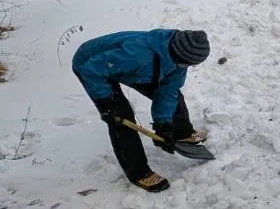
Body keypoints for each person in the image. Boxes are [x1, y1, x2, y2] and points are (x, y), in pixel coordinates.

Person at [72, 28, 211, 192]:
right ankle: (138, 173)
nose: (189, 66)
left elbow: (168, 91)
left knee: (174, 97)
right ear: (178, 55)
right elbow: (91, 69)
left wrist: (163, 125)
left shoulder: (179, 60)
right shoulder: (137, 54)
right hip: (93, 66)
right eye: (189, 63)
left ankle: (181, 134)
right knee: (121, 118)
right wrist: (106, 102)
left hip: (137, 70)